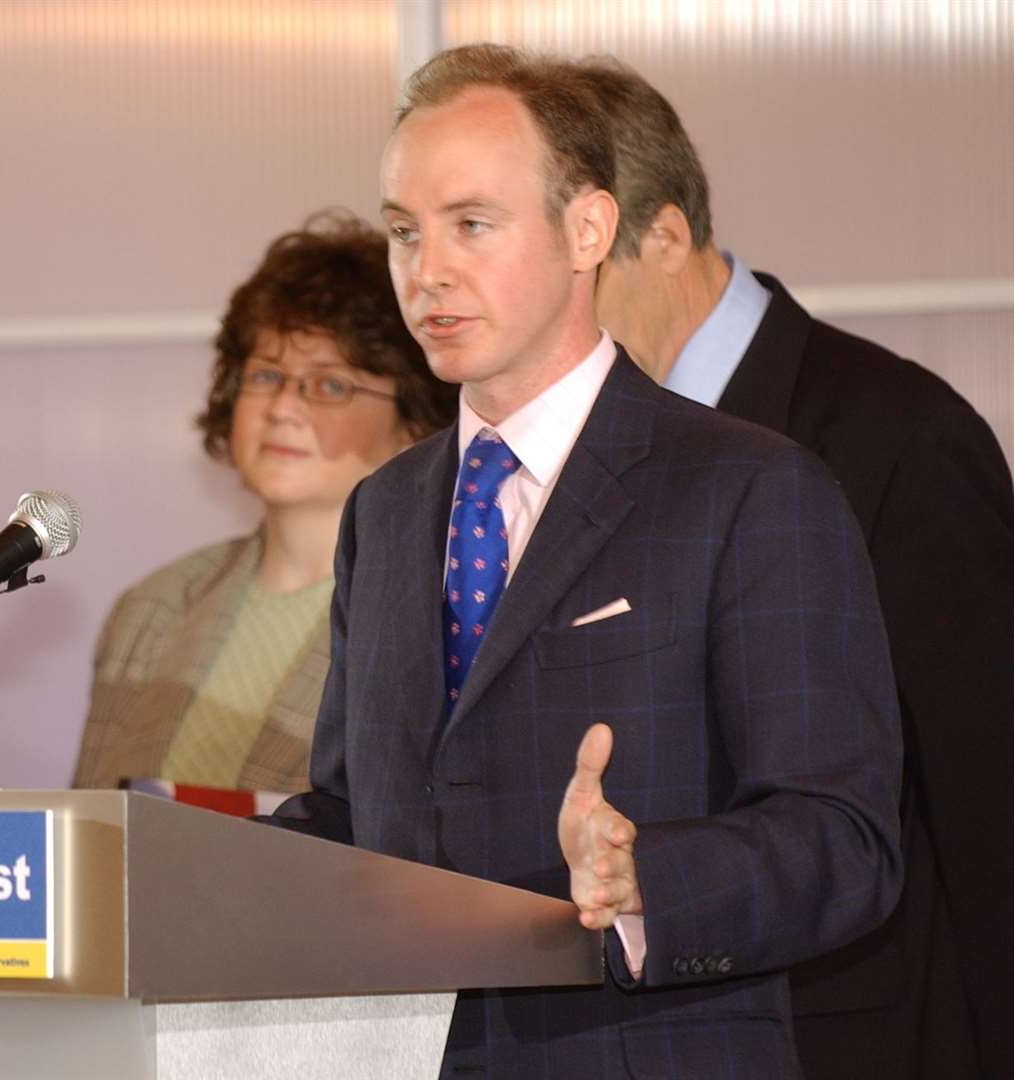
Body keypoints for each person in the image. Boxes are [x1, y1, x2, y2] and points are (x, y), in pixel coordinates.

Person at [264, 44, 903, 1076]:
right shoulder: (382, 512)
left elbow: (844, 841)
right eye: (401, 232)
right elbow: (352, 815)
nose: (425, 271)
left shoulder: (746, 489)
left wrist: (646, 875)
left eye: (470, 224)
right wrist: (190, 875)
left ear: (587, 229)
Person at [581, 56, 1014, 1080]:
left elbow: (986, 803)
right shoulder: (572, 442)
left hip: (850, 1031)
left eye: (579, 261)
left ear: (665, 235)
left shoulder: (892, 433)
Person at [73, 212, 454, 795]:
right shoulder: (152, 608)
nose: (283, 407)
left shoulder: (433, 624)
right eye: (266, 376)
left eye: (330, 385)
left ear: (415, 422)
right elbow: (87, 836)